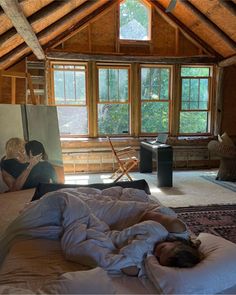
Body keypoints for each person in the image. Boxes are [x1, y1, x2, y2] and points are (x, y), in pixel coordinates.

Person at [121, 211, 202, 276]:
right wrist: (128, 234)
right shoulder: (176, 227)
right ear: (176, 243)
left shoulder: (161, 259)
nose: (156, 253)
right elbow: (148, 215)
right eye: (162, 249)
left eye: (158, 259)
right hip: (140, 213)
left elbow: (128, 269)